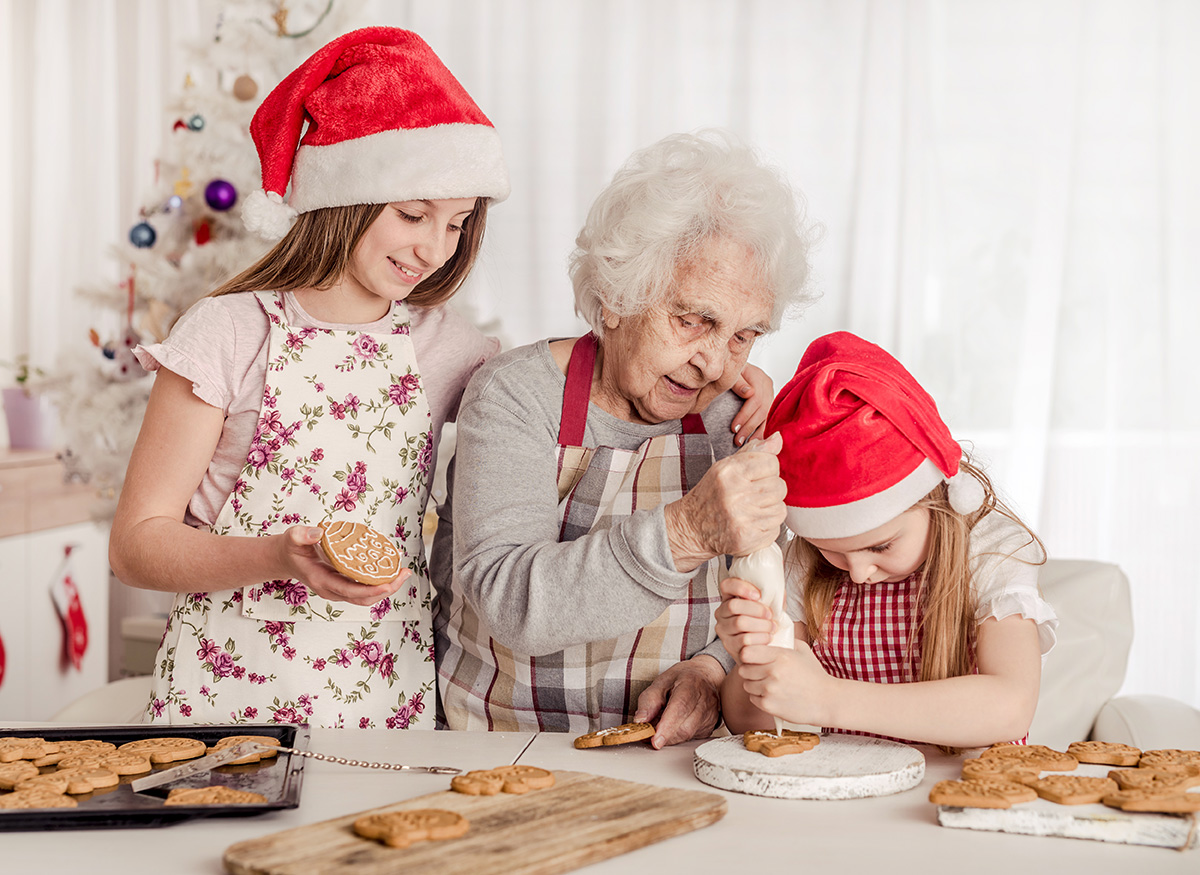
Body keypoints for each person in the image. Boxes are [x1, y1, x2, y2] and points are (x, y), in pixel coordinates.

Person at [107, 27, 513, 728]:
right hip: (223, 698)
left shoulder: (451, 348)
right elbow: (136, 544)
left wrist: (730, 382)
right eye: (413, 214)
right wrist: (277, 556)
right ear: (347, 193)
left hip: (384, 697)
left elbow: (576, 379)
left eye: (456, 224)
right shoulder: (227, 332)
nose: (433, 248)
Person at [431, 129, 819, 748]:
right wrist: (687, 532)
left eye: (744, 335)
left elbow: (782, 583)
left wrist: (712, 667)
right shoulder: (514, 394)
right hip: (500, 745)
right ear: (615, 296)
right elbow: (513, 602)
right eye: (694, 320)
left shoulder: (735, 413)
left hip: (673, 753)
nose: (714, 363)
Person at [715, 331, 1059, 749]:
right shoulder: (802, 562)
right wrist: (753, 661)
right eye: (834, 552)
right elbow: (748, 722)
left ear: (934, 501)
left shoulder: (990, 551)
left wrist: (830, 700)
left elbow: (1009, 706)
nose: (858, 572)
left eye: (880, 546)